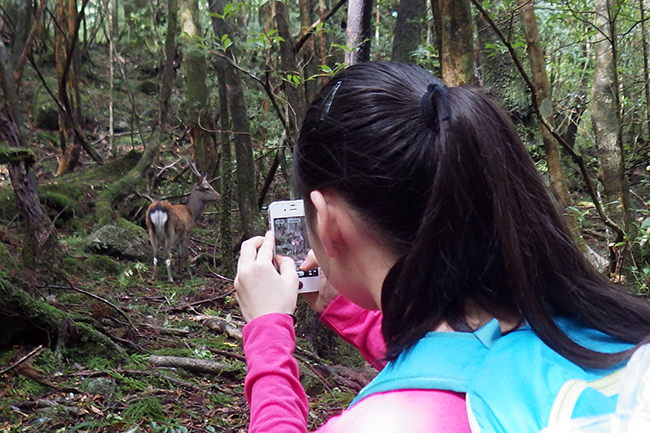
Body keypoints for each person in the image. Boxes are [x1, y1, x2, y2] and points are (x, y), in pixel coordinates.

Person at [234, 61, 650, 433]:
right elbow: (454, 361)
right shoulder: (607, 335)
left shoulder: (388, 421)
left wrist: (268, 330)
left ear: (327, 221)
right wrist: (337, 300)